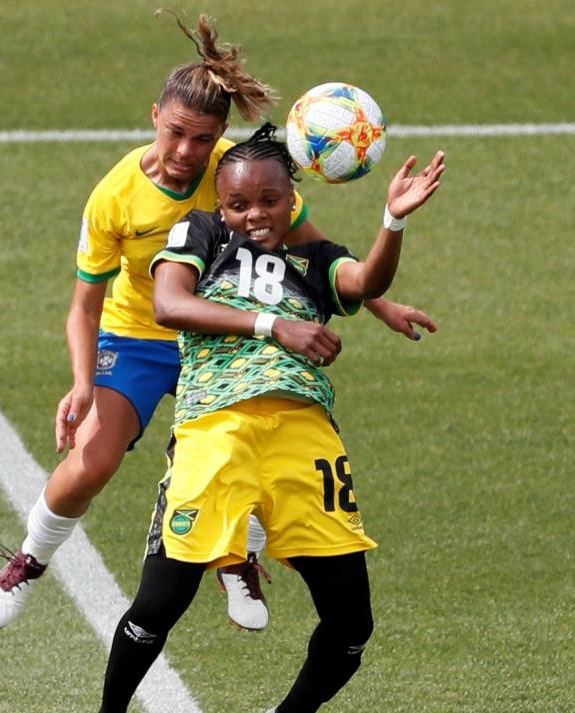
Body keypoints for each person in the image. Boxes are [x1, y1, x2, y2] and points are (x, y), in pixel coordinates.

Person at [0, 11, 437, 633]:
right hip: (142, 336)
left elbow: (313, 246)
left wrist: (379, 303)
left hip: (229, 335)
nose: (185, 153)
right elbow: (84, 306)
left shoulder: (237, 173)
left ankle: (237, 559)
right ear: (154, 118)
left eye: (202, 139)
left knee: (249, 439)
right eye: (175, 134)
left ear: (221, 134)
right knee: (92, 461)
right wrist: (83, 384)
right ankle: (30, 559)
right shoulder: (114, 196)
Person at [96, 124, 446, 712]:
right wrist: (273, 324)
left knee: (352, 626)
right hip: (215, 432)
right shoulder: (202, 232)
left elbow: (365, 282)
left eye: (268, 201)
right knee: (158, 606)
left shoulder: (316, 260)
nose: (253, 214)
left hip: (304, 441)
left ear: (292, 200)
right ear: (220, 204)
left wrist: (393, 222)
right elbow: (170, 303)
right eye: (237, 203)